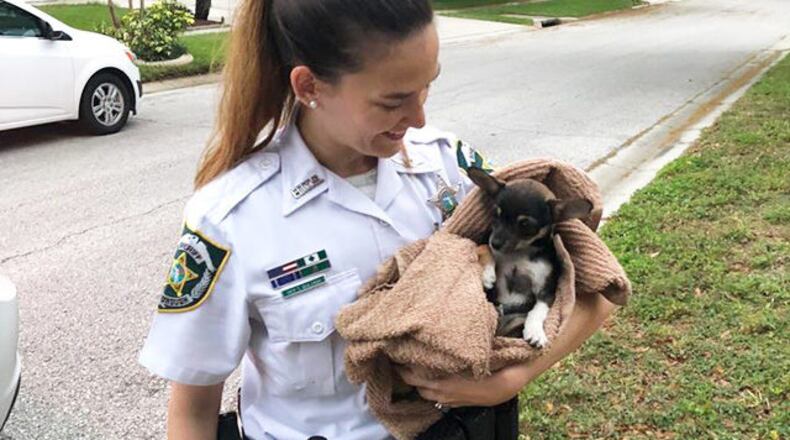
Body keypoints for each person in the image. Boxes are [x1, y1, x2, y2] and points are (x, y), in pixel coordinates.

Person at [138, 0, 618, 439]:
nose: (419, 118)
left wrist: (510, 379)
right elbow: (192, 411)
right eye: (393, 101)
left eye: (427, 85)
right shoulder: (231, 219)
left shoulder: (450, 170)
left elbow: (596, 291)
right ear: (309, 87)